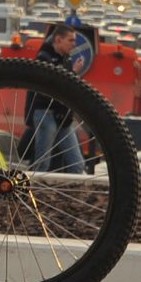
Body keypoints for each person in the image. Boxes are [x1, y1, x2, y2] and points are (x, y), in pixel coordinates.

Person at [23, 25, 86, 173]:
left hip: (63, 116)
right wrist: (73, 72)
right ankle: (31, 191)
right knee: (42, 163)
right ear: (58, 40)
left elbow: (67, 84)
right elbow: (48, 86)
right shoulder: (44, 58)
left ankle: (76, 194)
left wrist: (74, 73)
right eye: (71, 40)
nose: (74, 44)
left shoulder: (66, 58)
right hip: (47, 113)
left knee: (77, 165)